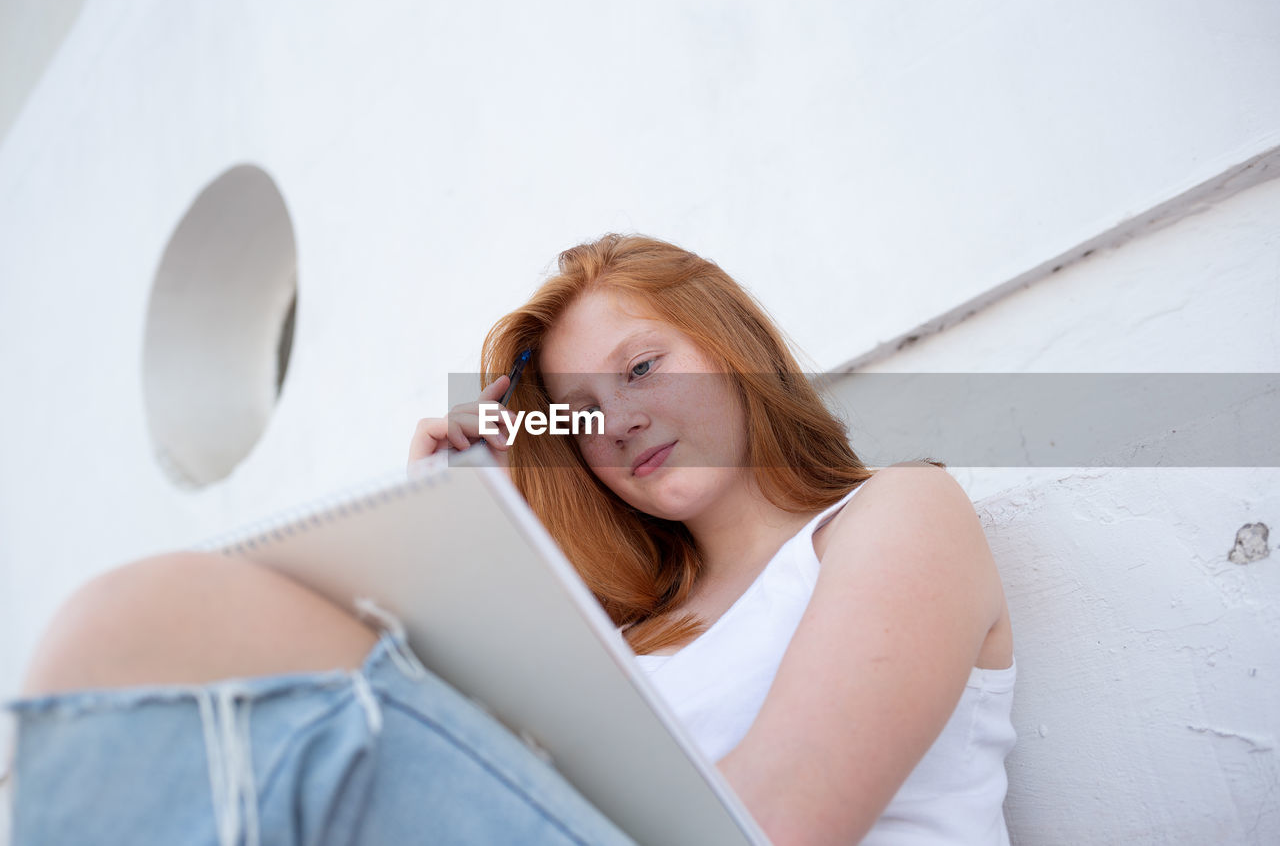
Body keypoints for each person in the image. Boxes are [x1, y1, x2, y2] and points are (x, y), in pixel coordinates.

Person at [3, 233, 1015, 845]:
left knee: (145, 625)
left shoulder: (892, 513)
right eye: (576, 408)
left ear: (733, 348)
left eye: (642, 366)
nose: (615, 419)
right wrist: (450, 542)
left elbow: (770, 830)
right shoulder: (625, 638)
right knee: (139, 642)